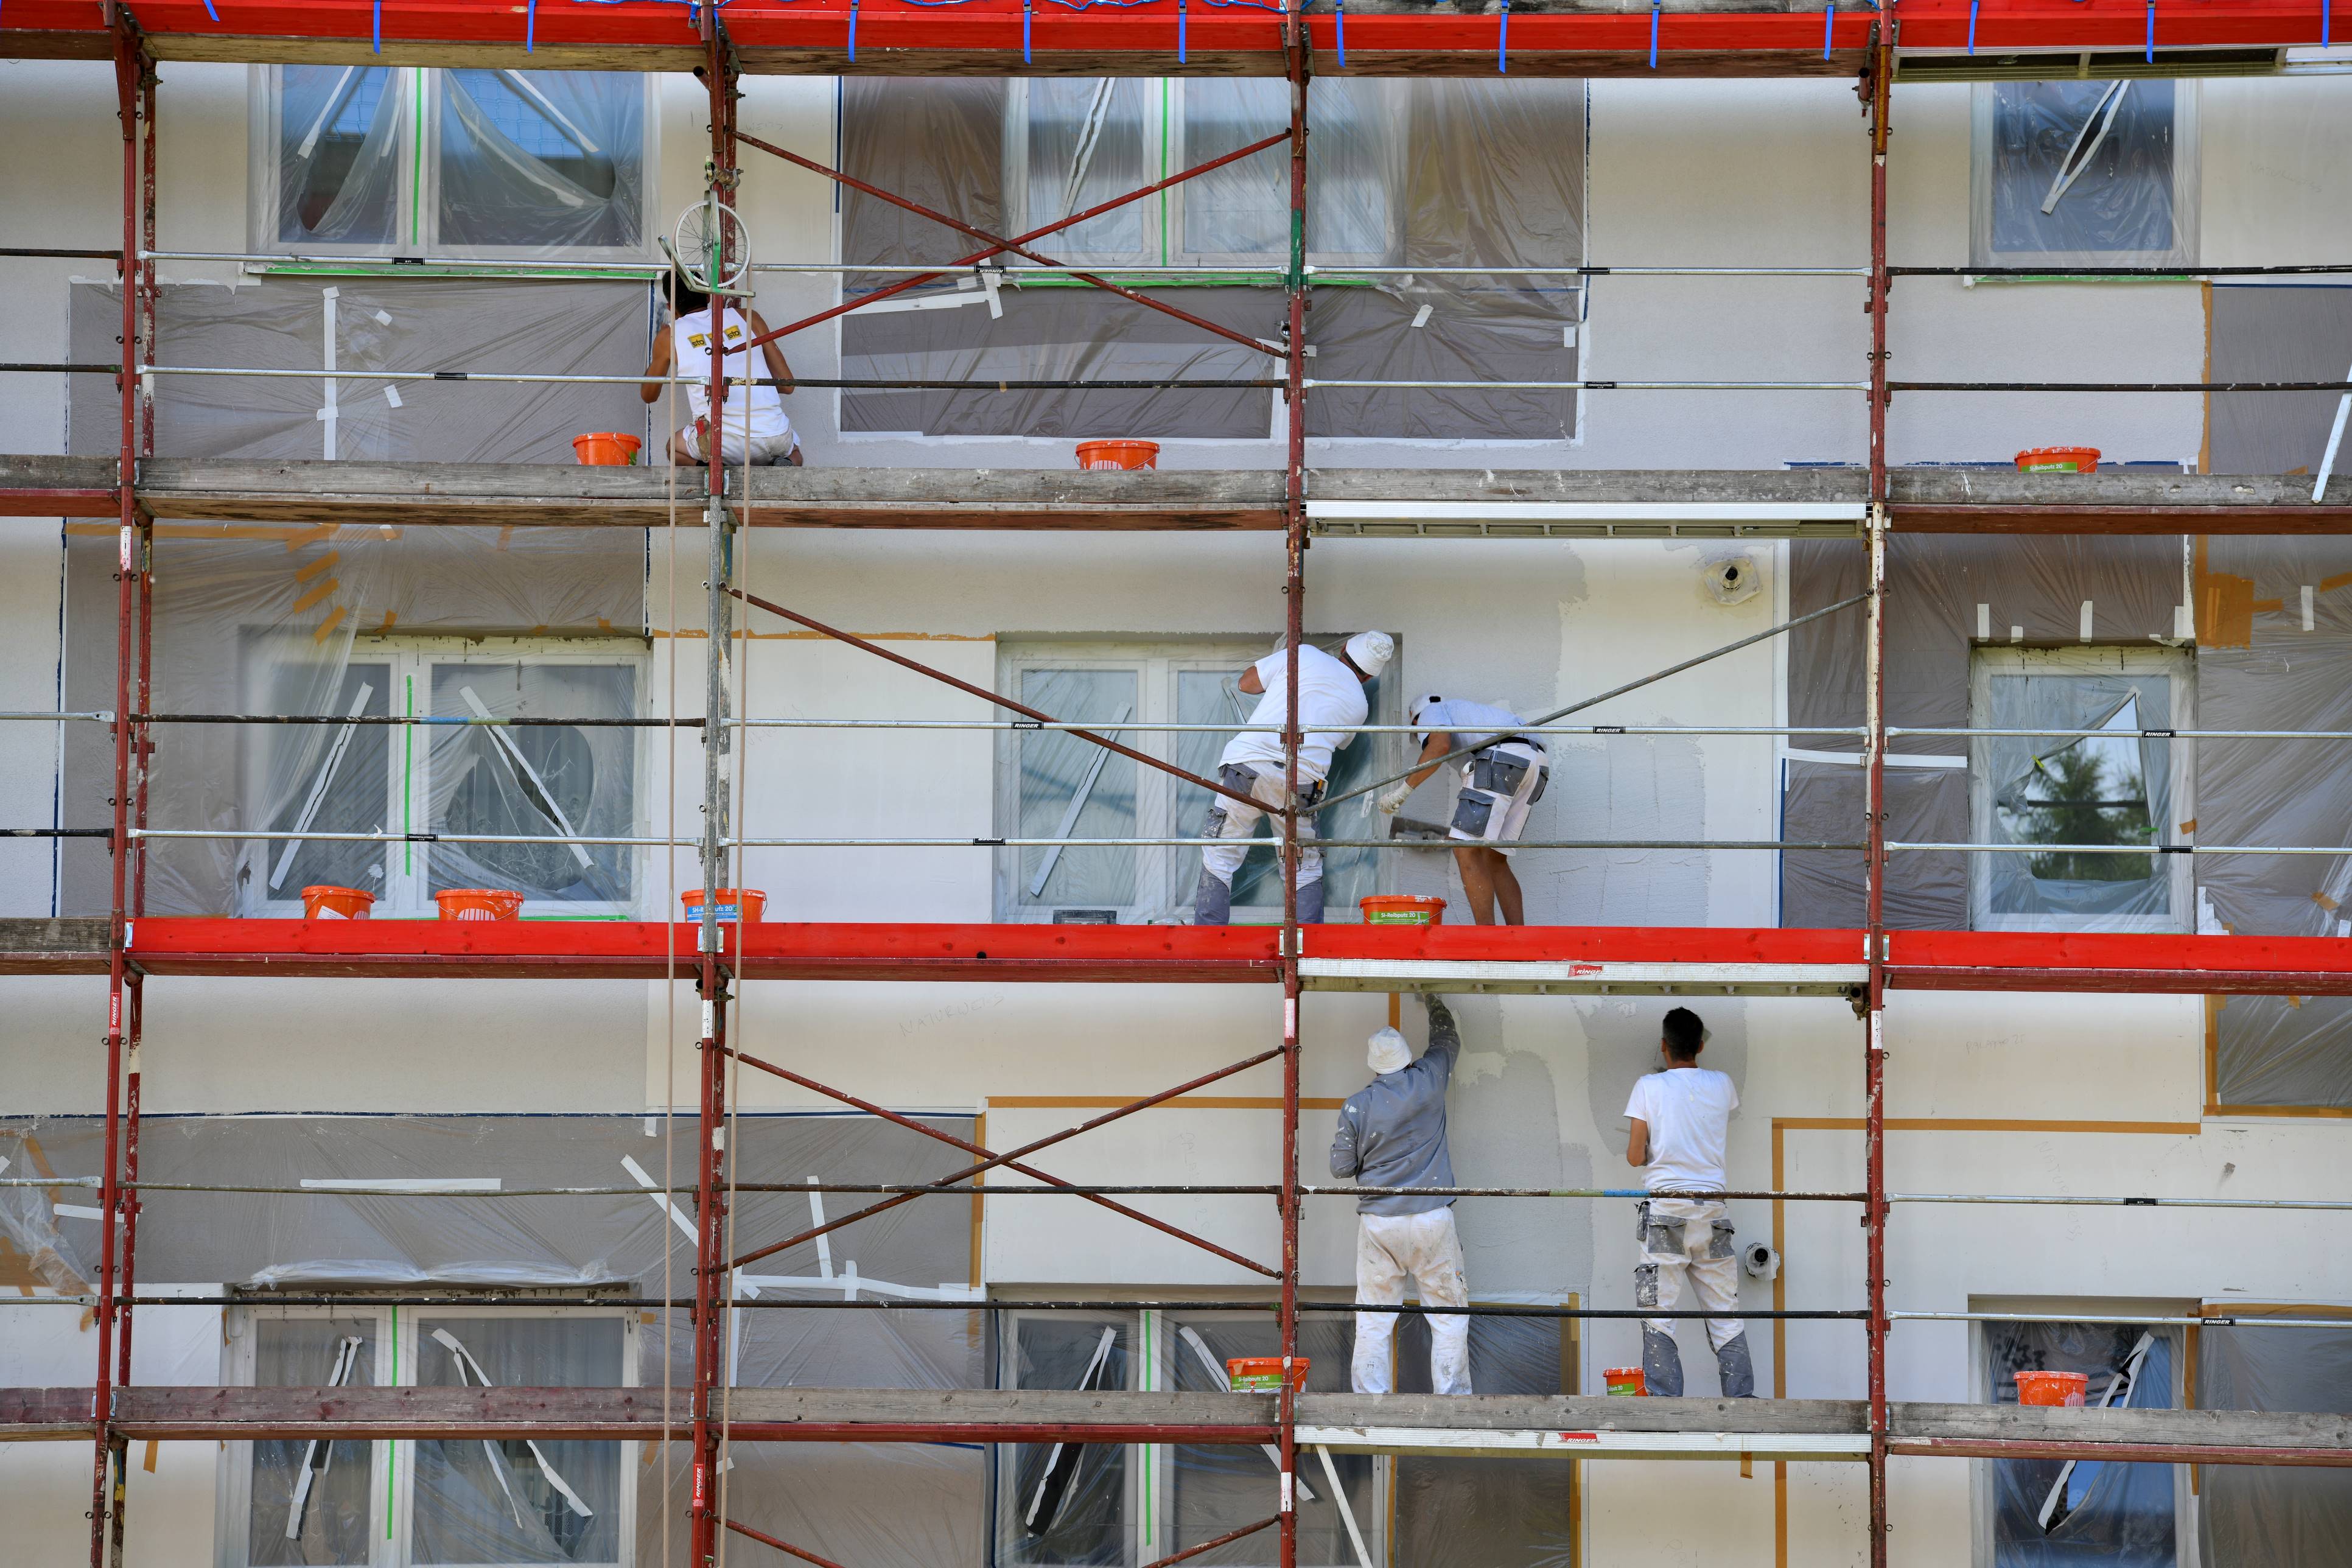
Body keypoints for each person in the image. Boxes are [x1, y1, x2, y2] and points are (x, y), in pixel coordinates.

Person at [1192, 631, 1394, 925]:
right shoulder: (1360, 705)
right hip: (1301, 781)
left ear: (1343, 648)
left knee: (1220, 856)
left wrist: (1281, 665)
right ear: (1367, 677)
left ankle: (1207, 941)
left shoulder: (1305, 654)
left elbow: (1246, 684)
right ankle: (1307, 946)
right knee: (1304, 866)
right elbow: (1340, 743)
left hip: (1247, 766)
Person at [1330, 993, 1471, 1395]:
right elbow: (1447, 1041)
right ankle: (1453, 1400)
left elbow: (1340, 1168)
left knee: (1374, 1316)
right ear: (1407, 1057)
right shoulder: (1428, 1080)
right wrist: (1434, 1001)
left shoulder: (1358, 1106)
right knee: (1447, 1314)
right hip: (1432, 1218)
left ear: (1374, 1065)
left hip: (1380, 1223)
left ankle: (1371, 1399)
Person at [1623, 1006, 1755, 1398]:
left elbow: (1634, 1155)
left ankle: (1665, 1400)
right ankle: (1741, 1399)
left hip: (1667, 1211)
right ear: (1700, 1045)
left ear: (1663, 1047)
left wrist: (1658, 1151)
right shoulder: (1722, 1084)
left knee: (1659, 1310)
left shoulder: (1648, 1086)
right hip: (1713, 1212)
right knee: (1724, 1310)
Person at [1373, 695, 1549, 925]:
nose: (1422, 738)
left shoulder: (1431, 712)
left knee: (1464, 848)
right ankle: (1516, 937)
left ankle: (1485, 938)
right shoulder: (1465, 717)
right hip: (1535, 765)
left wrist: (1401, 792)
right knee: (1494, 858)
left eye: (1419, 735)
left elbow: (1439, 746)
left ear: (1415, 721)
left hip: (1501, 759)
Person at [640, 270, 801, 467]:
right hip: (775, 436)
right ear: (709, 296)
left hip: (720, 443)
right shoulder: (749, 318)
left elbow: (648, 395)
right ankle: (785, 464)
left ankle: (712, 469)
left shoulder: (669, 335)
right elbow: (788, 385)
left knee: (672, 447)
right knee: (795, 452)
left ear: (671, 308)